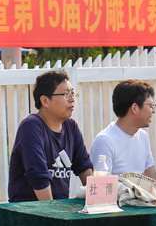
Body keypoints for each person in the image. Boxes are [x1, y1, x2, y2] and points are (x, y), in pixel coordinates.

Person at [7, 70, 93, 202]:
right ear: (45, 101)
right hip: (29, 209)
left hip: (59, 207)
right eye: (65, 94)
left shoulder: (71, 126)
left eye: (72, 93)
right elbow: (38, 176)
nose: (72, 99)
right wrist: (51, 211)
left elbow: (84, 167)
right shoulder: (31, 126)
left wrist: (99, 201)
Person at [89, 80, 156, 190]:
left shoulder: (143, 136)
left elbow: (154, 180)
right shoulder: (105, 141)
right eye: (151, 106)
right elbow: (101, 188)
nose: (153, 111)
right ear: (134, 108)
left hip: (139, 199)